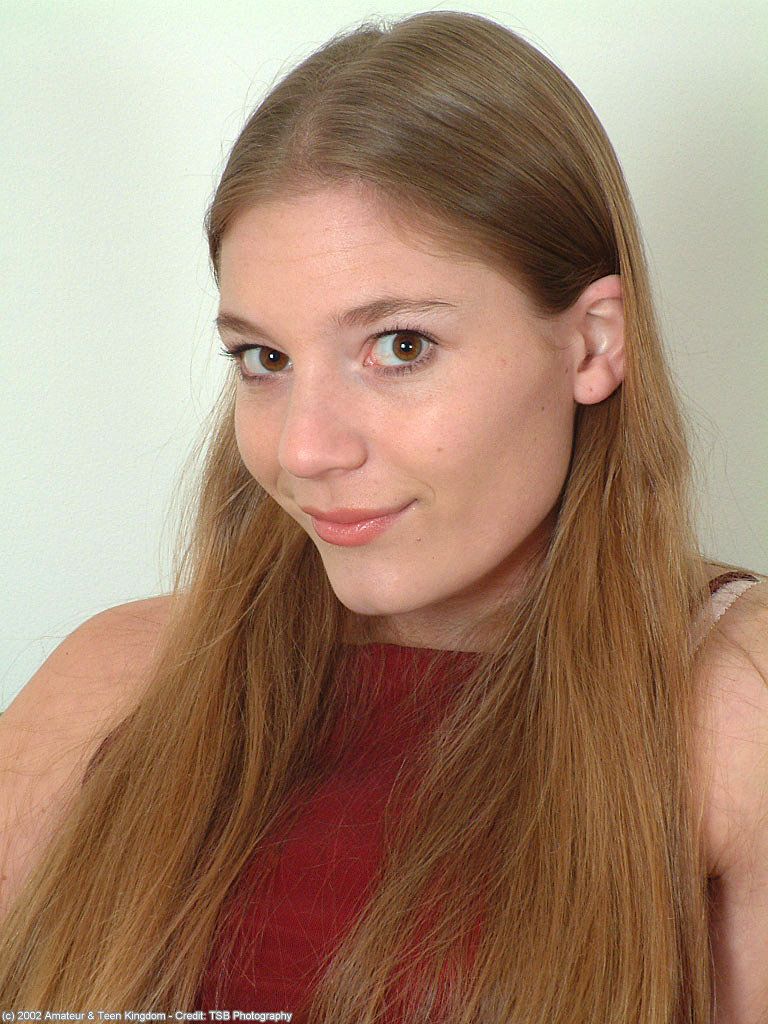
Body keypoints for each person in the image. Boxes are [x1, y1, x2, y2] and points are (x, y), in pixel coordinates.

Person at [1, 10, 766, 1022]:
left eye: (400, 346)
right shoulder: (110, 684)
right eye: (264, 358)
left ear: (592, 343)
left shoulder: (734, 704)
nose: (304, 448)